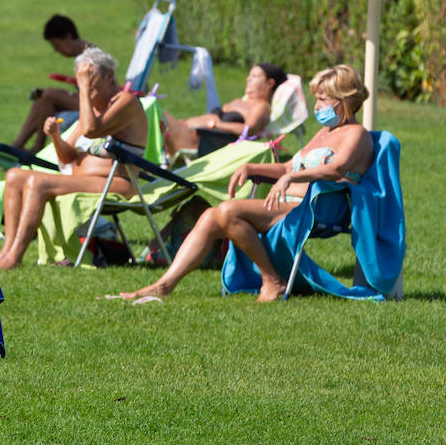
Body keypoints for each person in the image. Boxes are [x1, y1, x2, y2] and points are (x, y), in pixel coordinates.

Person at [118, 64, 373, 302]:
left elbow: (336, 168)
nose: (317, 107)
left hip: (316, 208)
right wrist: (251, 167)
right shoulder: (324, 133)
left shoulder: (356, 135)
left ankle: (272, 280)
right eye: (316, 99)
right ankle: (164, 286)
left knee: (229, 211)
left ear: (343, 101)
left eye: (323, 100)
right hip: (288, 205)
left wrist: (292, 177)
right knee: (209, 216)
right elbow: (288, 165)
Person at [0, 48, 148, 270]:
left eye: (91, 83)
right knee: (14, 175)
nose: (86, 89)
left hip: (117, 183)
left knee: (38, 183)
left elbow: (92, 130)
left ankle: (14, 257)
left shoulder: (126, 102)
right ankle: (5, 251)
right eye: (83, 83)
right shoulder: (92, 108)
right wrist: (55, 137)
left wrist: (83, 88)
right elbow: (66, 157)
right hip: (83, 179)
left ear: (110, 76)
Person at [161, 63, 288, 154]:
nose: (248, 79)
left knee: (155, 112)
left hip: (199, 142)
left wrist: (218, 124)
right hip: (187, 131)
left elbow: (248, 130)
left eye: (254, 76)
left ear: (269, 84)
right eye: (249, 76)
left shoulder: (261, 107)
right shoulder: (238, 101)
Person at [13, 14, 94, 152]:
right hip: (86, 100)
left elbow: (95, 93)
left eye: (56, 44)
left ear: (68, 37)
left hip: (94, 105)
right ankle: (16, 147)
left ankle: (37, 147)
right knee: (42, 99)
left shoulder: (90, 57)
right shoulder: (83, 54)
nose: (56, 50)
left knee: (49, 95)